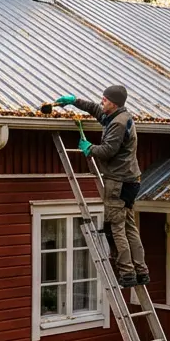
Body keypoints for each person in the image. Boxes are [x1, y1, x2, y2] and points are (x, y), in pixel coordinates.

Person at [54, 85, 150, 288]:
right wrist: (75, 101)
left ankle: (127, 273)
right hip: (130, 180)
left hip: (118, 182)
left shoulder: (118, 124)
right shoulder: (118, 115)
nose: (101, 102)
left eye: (104, 99)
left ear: (113, 103)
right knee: (129, 226)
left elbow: (107, 151)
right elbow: (95, 109)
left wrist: (89, 148)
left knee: (116, 227)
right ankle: (141, 271)